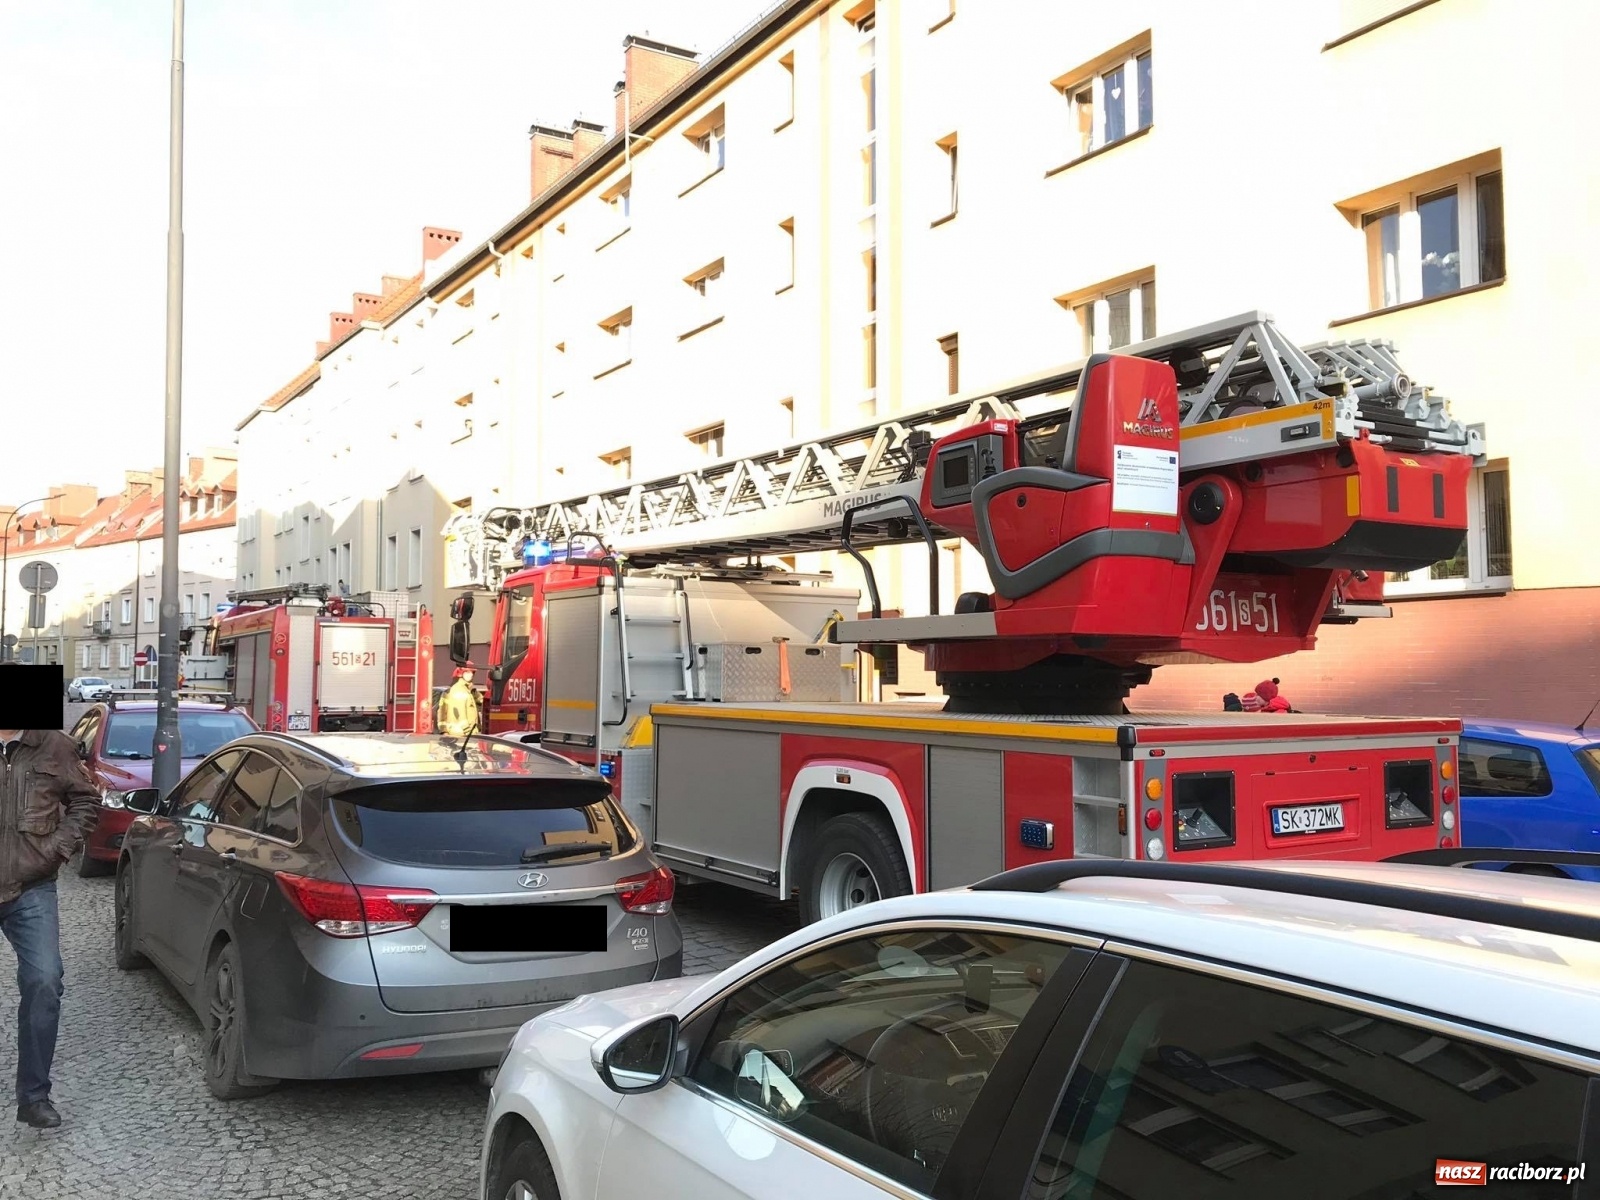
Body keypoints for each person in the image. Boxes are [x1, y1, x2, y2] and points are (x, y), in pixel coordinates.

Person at [0, 726, 100, 1129]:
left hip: (31, 886)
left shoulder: (55, 745)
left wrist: (58, 847)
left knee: (44, 980)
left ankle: (34, 1096)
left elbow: (86, 800)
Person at [438, 664, 481, 737]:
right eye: (467, 672)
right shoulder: (459, 690)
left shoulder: (468, 690)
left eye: (472, 672)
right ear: (461, 674)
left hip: (464, 732)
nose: (471, 675)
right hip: (461, 733)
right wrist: (467, 730)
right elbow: (459, 712)